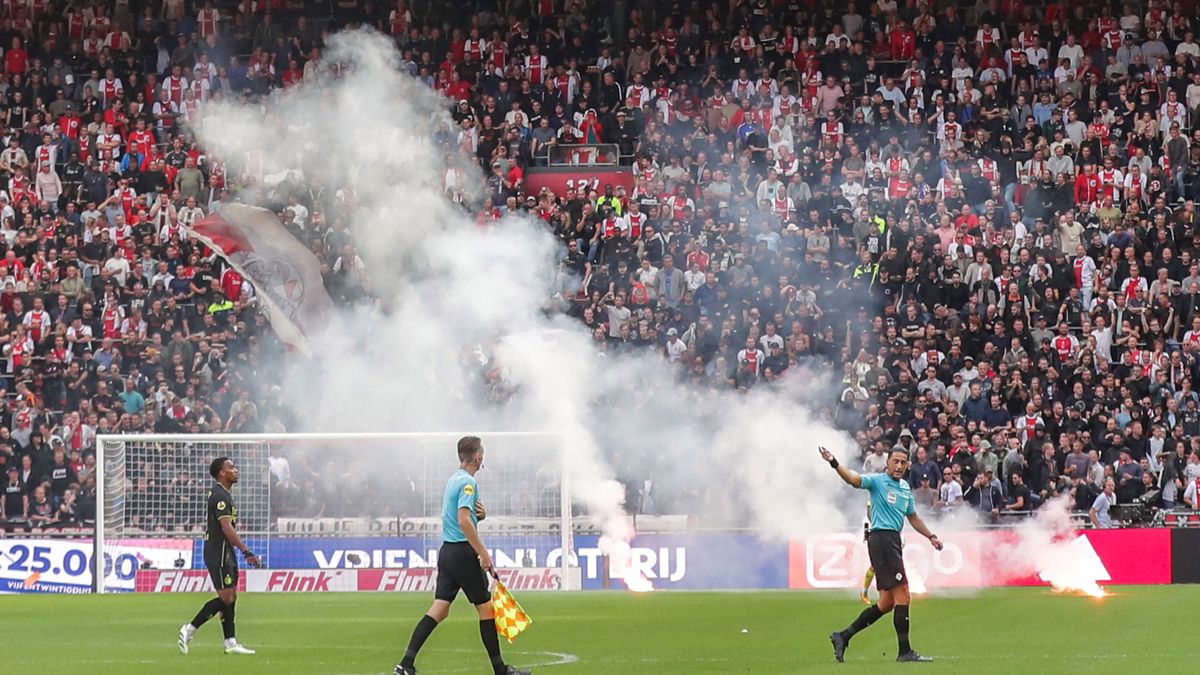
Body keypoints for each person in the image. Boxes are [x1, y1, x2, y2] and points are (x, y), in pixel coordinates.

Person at [395, 436, 529, 675]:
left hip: (447, 551)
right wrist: (484, 554)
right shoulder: (468, 483)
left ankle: (405, 664)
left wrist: (481, 516)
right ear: (478, 457)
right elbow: (463, 520)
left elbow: (462, 517)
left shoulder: (453, 479)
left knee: (440, 609)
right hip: (463, 552)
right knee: (486, 608)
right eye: (482, 453)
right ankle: (500, 669)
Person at [820, 444, 942, 663]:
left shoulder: (905, 487)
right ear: (887, 462)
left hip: (892, 540)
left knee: (887, 603)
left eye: (903, 462)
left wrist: (931, 536)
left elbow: (913, 517)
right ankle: (905, 652)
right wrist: (834, 462)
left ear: (908, 465)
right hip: (881, 539)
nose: (898, 466)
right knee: (903, 593)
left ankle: (843, 636)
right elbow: (853, 479)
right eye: (895, 461)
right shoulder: (876, 481)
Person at [179, 456, 258, 655]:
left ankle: (230, 641)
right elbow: (226, 528)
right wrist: (246, 550)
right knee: (226, 597)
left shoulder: (223, 493)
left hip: (225, 551)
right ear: (222, 473)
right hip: (219, 551)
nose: (236, 470)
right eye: (231, 467)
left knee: (231, 596)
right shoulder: (220, 496)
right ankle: (190, 628)